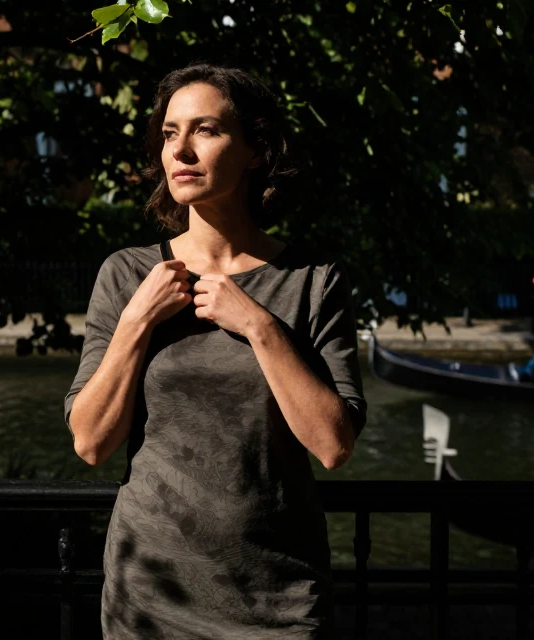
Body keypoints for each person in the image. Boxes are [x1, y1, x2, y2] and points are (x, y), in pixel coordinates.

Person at [64, 64, 367, 639]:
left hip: (277, 601)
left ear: (255, 150)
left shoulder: (311, 280)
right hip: (148, 598)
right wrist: (136, 321)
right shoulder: (128, 275)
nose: (180, 150)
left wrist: (259, 326)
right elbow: (90, 442)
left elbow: (334, 445)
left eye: (205, 130)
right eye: (170, 133)